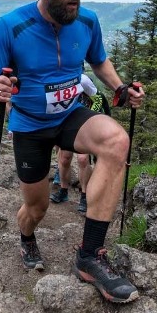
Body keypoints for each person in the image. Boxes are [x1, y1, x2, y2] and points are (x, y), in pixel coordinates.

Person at [0, 0, 145, 304]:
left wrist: (120, 89)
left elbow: (99, 60)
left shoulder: (87, 21)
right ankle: (26, 237)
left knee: (116, 141)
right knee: (37, 209)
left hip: (70, 116)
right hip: (30, 126)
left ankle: (89, 255)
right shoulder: (10, 26)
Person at [50, 74, 110, 214]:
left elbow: (99, 98)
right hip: (66, 122)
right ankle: (63, 190)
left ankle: (84, 196)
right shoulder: (53, 77)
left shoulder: (82, 80)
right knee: (64, 158)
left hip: (84, 122)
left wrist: (89, 115)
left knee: (83, 159)